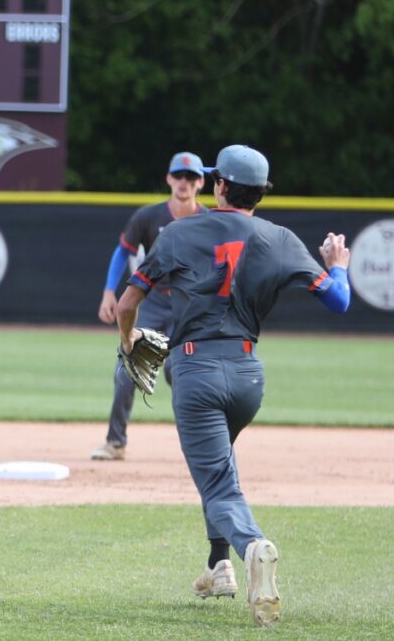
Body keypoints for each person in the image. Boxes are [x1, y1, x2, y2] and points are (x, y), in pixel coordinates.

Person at [116, 145, 352, 627]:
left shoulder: (179, 232)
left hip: (195, 371)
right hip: (247, 377)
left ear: (218, 186)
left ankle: (251, 548)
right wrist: (338, 262)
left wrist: (128, 340)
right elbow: (339, 302)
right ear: (260, 195)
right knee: (219, 468)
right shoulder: (280, 238)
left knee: (220, 486)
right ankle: (216, 565)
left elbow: (126, 304)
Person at [91, 152, 208, 461]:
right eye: (179, 176)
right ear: (169, 179)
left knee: (179, 371)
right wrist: (108, 292)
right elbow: (122, 253)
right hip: (152, 301)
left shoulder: (209, 220)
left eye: (191, 177)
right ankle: (116, 443)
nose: (184, 182)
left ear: (201, 182)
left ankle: (198, 446)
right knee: (127, 368)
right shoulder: (148, 217)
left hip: (188, 305)